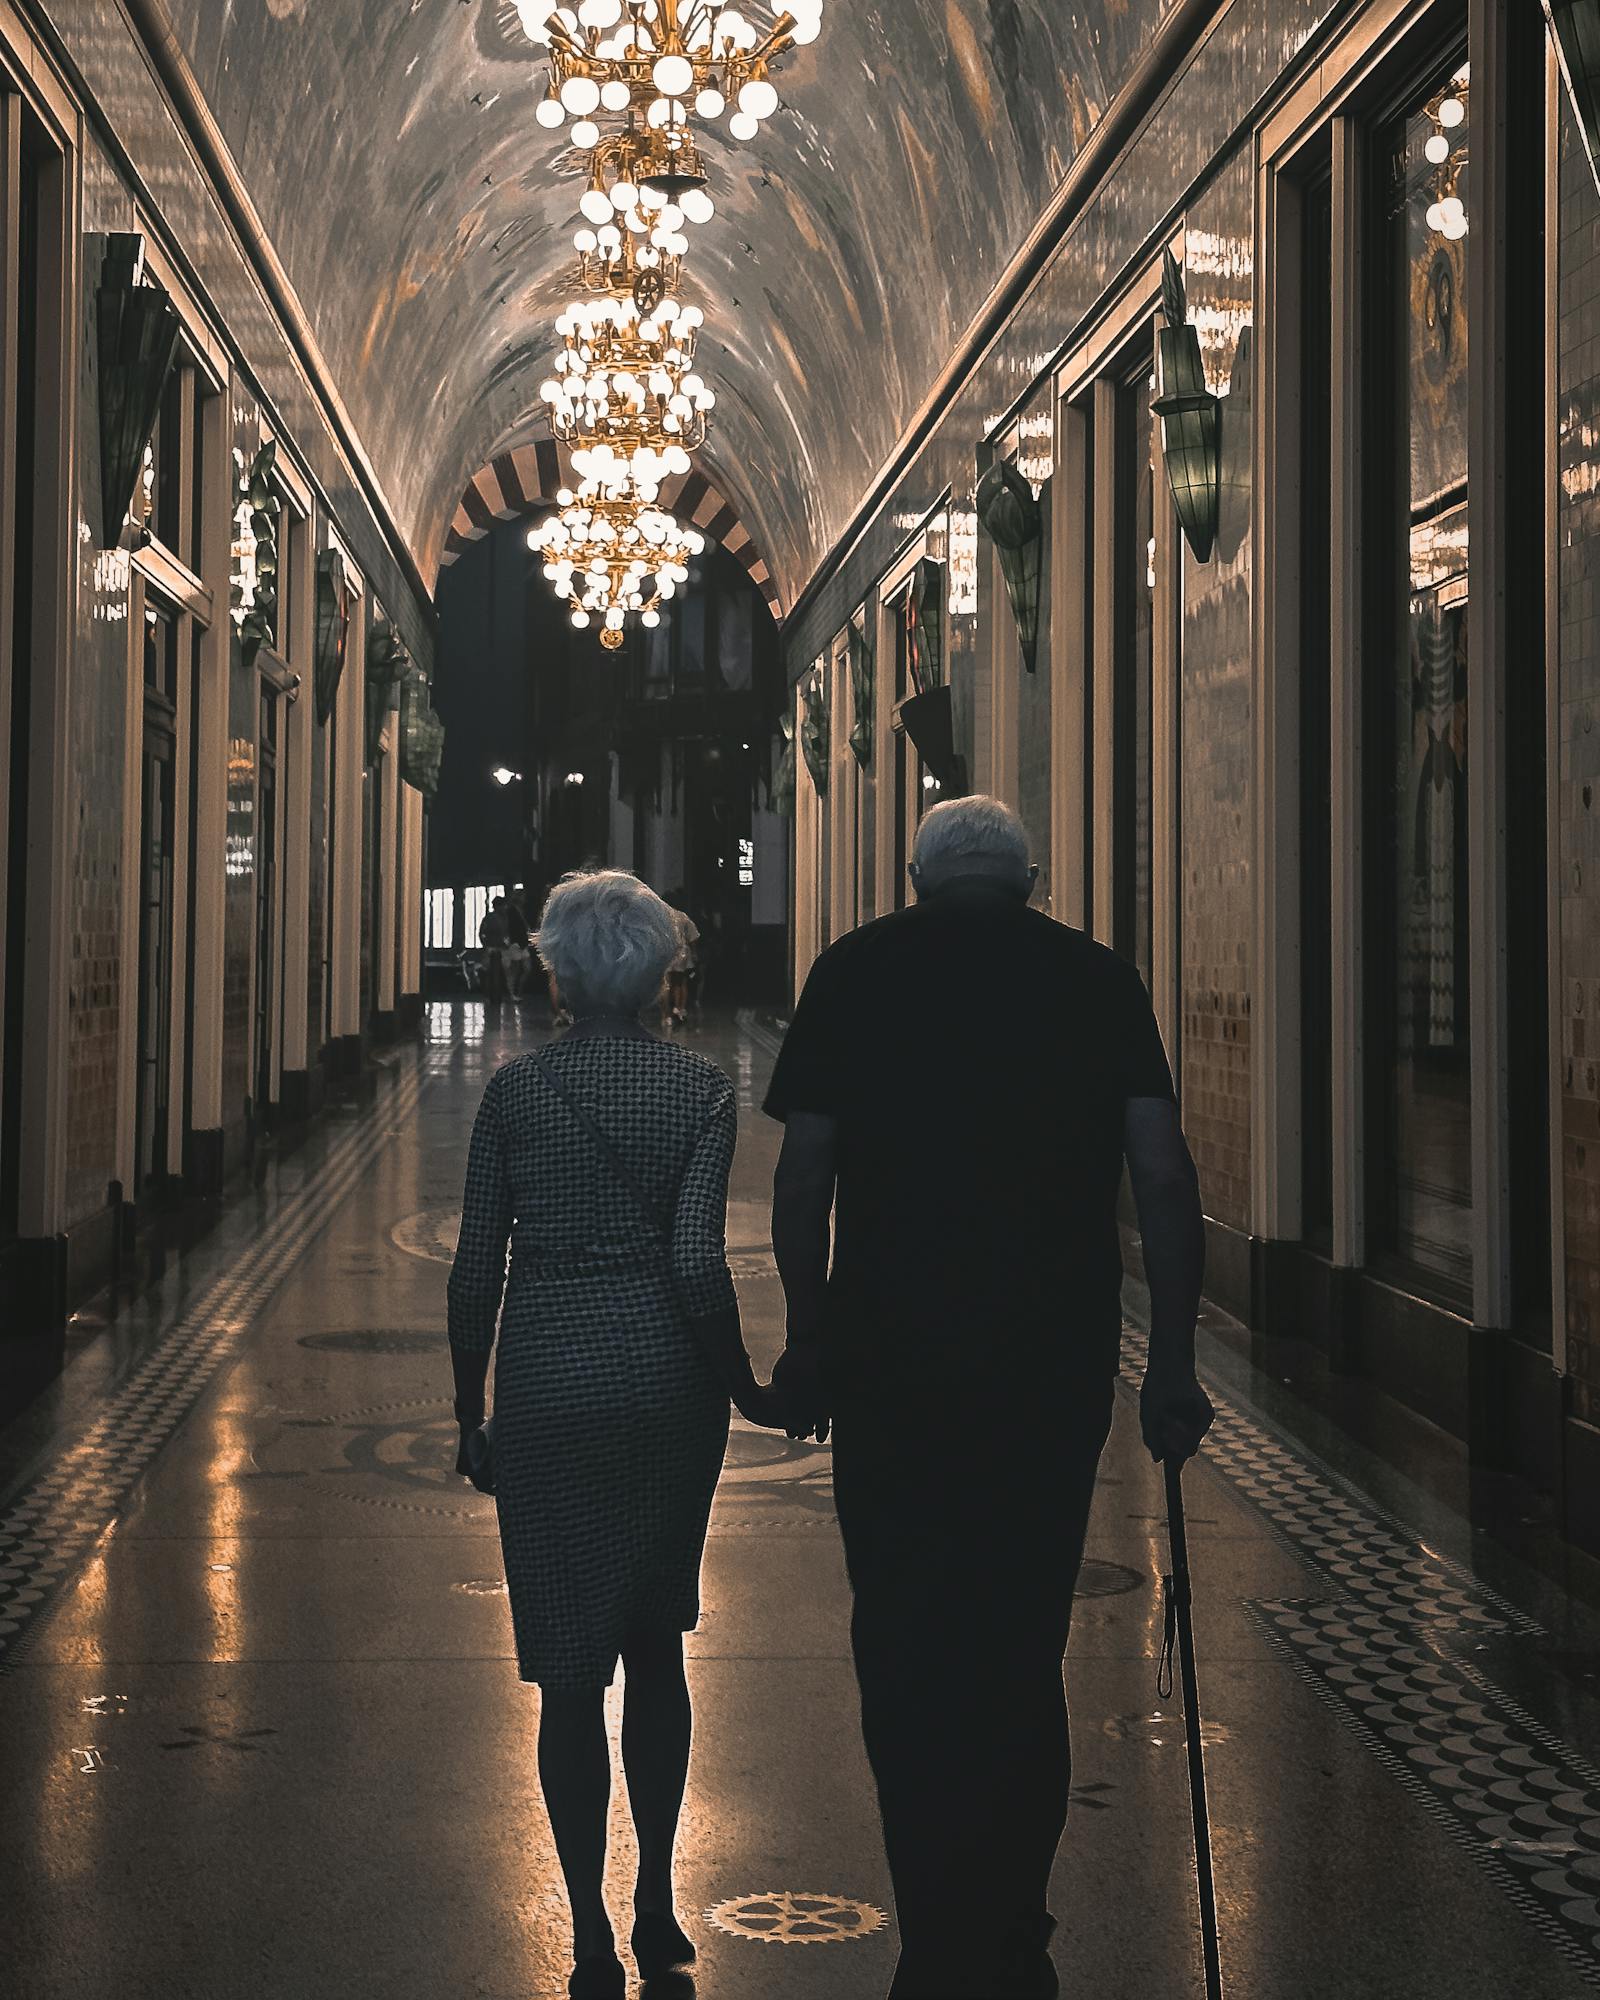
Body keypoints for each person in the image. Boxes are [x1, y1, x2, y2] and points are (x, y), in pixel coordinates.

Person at [763, 796, 1214, 2000]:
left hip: (891, 1365)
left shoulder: (854, 971)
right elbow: (1163, 1179)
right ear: (1028, 879)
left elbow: (803, 1174)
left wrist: (808, 1335)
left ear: (916, 876)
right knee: (1019, 1643)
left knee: (905, 1642)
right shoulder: (1097, 978)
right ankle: (1015, 1919)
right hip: (1048, 1364)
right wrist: (1170, 1360)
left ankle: (935, 1929)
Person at [447, 870, 787, 1999]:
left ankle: (586, 1917)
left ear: (556, 967)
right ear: (660, 970)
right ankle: (655, 1901)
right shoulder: (696, 1091)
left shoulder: (515, 1095)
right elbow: (697, 1260)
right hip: (662, 1390)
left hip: (544, 1379)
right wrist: (742, 1381)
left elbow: (472, 1270)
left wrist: (468, 1404)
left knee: (563, 1669)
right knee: (655, 1642)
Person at [663, 890, 699, 1028]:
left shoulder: (663, 917)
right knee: (681, 982)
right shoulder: (683, 917)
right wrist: (694, 953)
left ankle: (666, 1015)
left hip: (666, 952)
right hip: (682, 953)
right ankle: (679, 1008)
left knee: (666, 983)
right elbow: (693, 936)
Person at [479, 894, 511, 1006]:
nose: (505, 908)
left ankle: (494, 996)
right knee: (493, 974)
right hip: (493, 949)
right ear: (498, 906)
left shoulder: (503, 918)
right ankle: (493, 996)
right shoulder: (492, 918)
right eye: (503, 905)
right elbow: (482, 933)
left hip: (499, 948)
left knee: (495, 974)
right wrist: (487, 945)